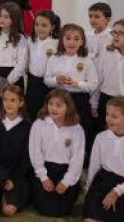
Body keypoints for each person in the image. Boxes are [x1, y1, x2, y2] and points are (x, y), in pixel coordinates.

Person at [83, 97, 124, 222]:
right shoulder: (101, 138)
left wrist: (116, 192)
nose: (108, 118)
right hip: (103, 181)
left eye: (114, 116)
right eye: (107, 114)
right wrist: (89, 189)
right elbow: (94, 166)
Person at [45, 24, 99, 160]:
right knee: (61, 129)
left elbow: (93, 84)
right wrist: (56, 80)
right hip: (60, 99)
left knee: (79, 130)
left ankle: (79, 157)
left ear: (82, 42)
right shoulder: (54, 58)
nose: (71, 42)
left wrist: (78, 84)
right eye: (68, 38)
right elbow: (46, 80)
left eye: (76, 39)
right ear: (62, 40)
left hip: (79, 100)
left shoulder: (86, 60)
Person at [29, 89, 85, 218]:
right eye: (51, 104)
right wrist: (43, 177)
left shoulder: (77, 129)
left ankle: (76, 186)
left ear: (68, 107)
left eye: (59, 105)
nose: (53, 108)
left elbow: (77, 158)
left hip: (66, 171)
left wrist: (66, 181)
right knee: (45, 209)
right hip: (45, 169)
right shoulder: (39, 124)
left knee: (62, 210)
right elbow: (35, 152)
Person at [0, 85, 32, 217]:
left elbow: (26, 158)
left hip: (17, 173)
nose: (8, 103)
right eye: (5, 99)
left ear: (21, 102)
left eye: (13, 100)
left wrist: (13, 179)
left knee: (8, 210)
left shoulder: (27, 126)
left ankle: (5, 193)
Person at [26, 11, 61, 122]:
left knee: (45, 114)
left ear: (53, 27)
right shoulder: (31, 40)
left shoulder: (56, 43)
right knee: (31, 111)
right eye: (37, 24)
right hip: (32, 82)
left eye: (44, 25)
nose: (39, 28)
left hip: (47, 85)